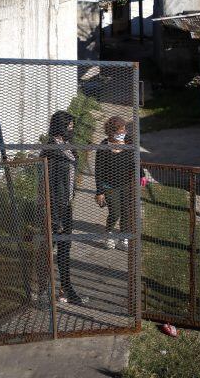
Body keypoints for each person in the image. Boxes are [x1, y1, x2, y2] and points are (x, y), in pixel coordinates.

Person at [40, 110, 88, 304]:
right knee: (48, 248)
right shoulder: (51, 148)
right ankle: (44, 292)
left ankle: (65, 289)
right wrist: (55, 216)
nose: (72, 129)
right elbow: (48, 183)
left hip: (66, 204)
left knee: (65, 248)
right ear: (60, 127)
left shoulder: (66, 146)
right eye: (69, 126)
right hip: (54, 207)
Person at [95, 116, 136, 250]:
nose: (123, 133)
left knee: (126, 212)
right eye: (120, 130)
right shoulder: (103, 146)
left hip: (126, 184)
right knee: (115, 212)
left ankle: (123, 238)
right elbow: (98, 170)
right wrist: (100, 192)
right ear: (112, 132)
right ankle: (108, 233)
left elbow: (136, 161)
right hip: (109, 185)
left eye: (124, 129)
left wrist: (141, 174)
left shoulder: (129, 141)